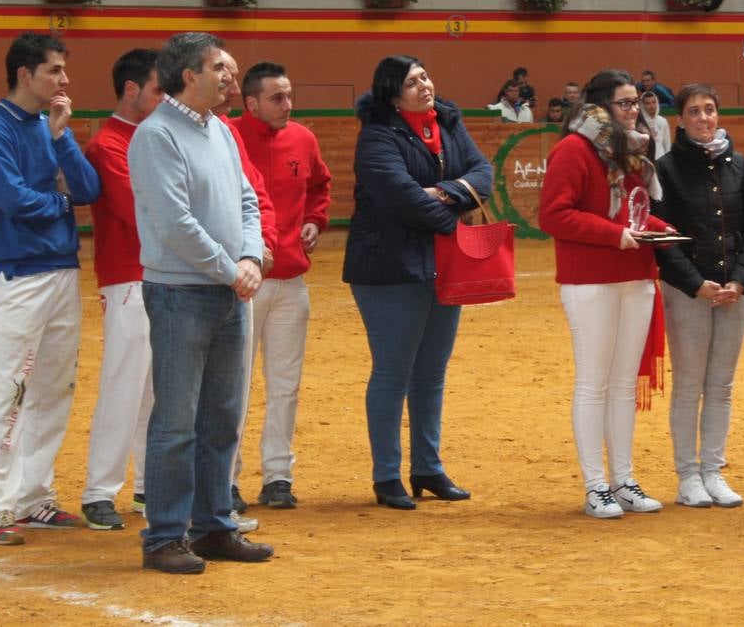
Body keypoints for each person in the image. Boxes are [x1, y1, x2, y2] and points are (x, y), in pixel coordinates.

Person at [127, 33, 270, 574]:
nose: (231, 77)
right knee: (176, 422)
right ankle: (165, 536)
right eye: (220, 68)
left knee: (223, 418)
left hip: (229, 287)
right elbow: (174, 222)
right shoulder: (156, 136)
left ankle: (213, 527)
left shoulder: (222, 132)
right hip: (181, 292)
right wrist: (231, 268)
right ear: (189, 75)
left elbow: (247, 199)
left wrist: (252, 256)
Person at [0, 33, 101, 546]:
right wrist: (61, 203)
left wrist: (62, 138)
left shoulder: (50, 128)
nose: (64, 80)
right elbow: (14, 200)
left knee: (54, 389)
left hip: (61, 270)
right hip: (19, 274)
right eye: (54, 71)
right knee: (12, 390)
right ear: (25, 74)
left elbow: (88, 189)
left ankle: (33, 496)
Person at [343, 55, 492, 510]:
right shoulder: (376, 137)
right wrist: (453, 215)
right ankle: (387, 475)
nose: (424, 85)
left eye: (425, 76)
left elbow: (482, 176)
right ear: (392, 92)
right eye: (412, 81)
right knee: (392, 373)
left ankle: (427, 468)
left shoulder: (447, 123)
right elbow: (400, 198)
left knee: (431, 373)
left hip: (440, 263)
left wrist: (441, 193)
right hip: (388, 268)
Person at [538, 69, 674, 519]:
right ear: (599, 106)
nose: (634, 110)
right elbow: (555, 216)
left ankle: (623, 479)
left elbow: (636, 214)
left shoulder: (631, 151)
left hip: (635, 276)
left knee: (621, 384)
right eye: (625, 103)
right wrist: (615, 236)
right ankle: (596, 485)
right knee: (594, 382)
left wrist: (662, 231)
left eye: (636, 102)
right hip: (590, 280)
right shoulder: (573, 150)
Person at [653, 84, 744, 508]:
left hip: (734, 291)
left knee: (720, 386)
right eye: (694, 112)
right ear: (679, 120)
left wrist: (740, 281)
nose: (704, 118)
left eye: (710, 110)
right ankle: (687, 475)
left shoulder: (738, 165)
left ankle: (712, 471)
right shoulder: (665, 169)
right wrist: (695, 283)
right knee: (688, 384)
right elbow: (662, 238)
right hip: (689, 292)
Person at [232, 63, 331, 511]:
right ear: (251, 102)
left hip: (290, 278)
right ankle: (225, 477)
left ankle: (278, 476)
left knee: (285, 385)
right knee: (233, 385)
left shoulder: (303, 139)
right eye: (277, 98)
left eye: (289, 96)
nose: (288, 105)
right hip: (241, 282)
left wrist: (314, 220)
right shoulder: (226, 138)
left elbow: (320, 187)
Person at [80, 49, 166, 532]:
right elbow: (141, 213)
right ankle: (99, 490)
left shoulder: (149, 138)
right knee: (124, 385)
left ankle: (147, 485)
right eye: (157, 89)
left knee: (156, 389)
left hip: (160, 274)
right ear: (131, 90)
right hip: (128, 275)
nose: (165, 98)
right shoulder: (108, 144)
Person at [640, 92, 670, 160]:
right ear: (642, 105)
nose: (652, 106)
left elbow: (667, 144)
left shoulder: (662, 121)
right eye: (648, 103)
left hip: (661, 159)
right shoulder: (639, 123)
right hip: (646, 160)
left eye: (654, 102)